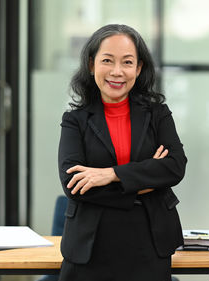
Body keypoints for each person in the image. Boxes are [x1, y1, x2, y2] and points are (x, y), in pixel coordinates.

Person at [57, 24, 187, 281]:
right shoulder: (75, 120)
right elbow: (73, 185)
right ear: (92, 64)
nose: (117, 72)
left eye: (127, 62)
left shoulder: (157, 114)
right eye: (108, 60)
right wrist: (145, 180)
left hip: (149, 242)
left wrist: (111, 174)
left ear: (138, 69)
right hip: (90, 247)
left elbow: (174, 166)